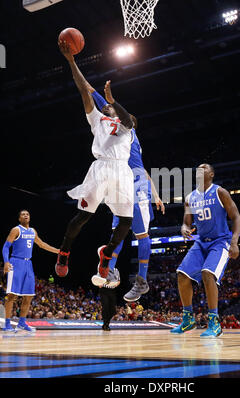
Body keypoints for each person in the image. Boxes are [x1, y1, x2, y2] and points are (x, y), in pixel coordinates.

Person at [55, 40, 135, 282]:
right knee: (83, 217)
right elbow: (83, 89)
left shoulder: (127, 128)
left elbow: (129, 121)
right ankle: (65, 251)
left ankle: (107, 253)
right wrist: (71, 60)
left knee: (126, 222)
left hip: (122, 172)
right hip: (100, 168)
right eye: (111, 107)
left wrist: (113, 100)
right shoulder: (98, 119)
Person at [87, 82, 165, 301]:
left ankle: (141, 280)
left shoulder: (127, 131)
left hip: (135, 183)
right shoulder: (123, 139)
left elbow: (141, 170)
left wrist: (99, 94)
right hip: (121, 182)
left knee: (141, 235)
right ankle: (110, 270)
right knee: (117, 232)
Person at [170, 164, 240, 337]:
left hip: (220, 241)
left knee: (207, 273)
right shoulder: (190, 197)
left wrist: (234, 242)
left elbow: (236, 217)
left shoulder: (220, 192)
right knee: (182, 274)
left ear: (211, 174)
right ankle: (188, 319)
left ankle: (214, 322)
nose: (199, 171)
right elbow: (187, 221)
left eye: (204, 169)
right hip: (201, 242)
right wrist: (184, 228)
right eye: (197, 169)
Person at [2, 210, 59, 332]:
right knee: (12, 295)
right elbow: (6, 247)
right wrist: (6, 262)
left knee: (28, 296)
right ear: (19, 218)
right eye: (23, 214)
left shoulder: (32, 231)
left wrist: (58, 251)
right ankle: (7, 324)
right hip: (16, 262)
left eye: (27, 214)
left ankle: (22, 323)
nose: (25, 215)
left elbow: (42, 244)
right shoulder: (16, 230)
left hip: (28, 264)